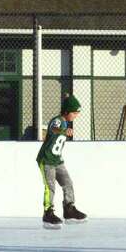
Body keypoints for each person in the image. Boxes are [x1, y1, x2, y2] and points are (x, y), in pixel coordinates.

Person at [37, 94, 87, 229]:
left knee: (68, 183)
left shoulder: (65, 122)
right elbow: (53, 129)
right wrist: (64, 130)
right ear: (66, 111)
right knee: (50, 186)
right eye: (74, 113)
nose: (76, 116)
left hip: (57, 160)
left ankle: (69, 209)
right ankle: (48, 213)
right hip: (46, 160)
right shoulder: (58, 120)